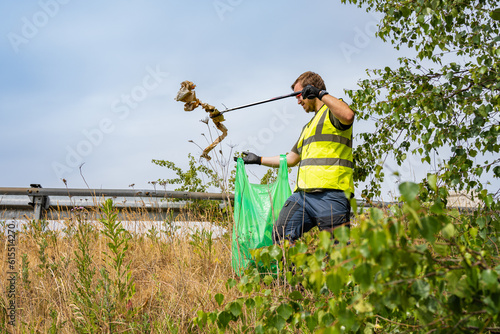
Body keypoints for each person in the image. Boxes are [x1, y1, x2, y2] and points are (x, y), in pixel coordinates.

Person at [236, 71, 355, 243]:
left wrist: (321, 93)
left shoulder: (333, 112)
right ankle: (293, 270)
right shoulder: (308, 127)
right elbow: (291, 159)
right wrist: (259, 160)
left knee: (337, 254)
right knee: (281, 235)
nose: (298, 101)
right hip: (304, 197)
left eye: (299, 95)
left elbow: (348, 115)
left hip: (332, 196)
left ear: (311, 91)